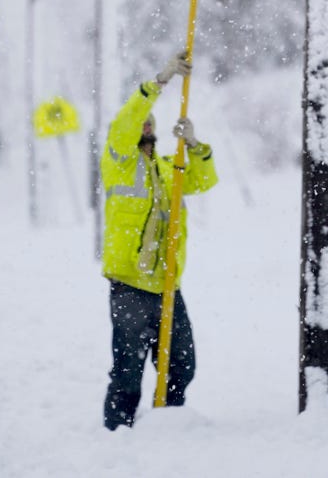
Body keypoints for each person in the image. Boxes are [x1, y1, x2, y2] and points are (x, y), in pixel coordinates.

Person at [101, 50, 218, 430]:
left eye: (151, 121)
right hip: (131, 286)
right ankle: (117, 434)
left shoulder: (170, 167)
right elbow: (126, 119)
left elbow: (203, 182)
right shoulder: (117, 159)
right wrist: (160, 81)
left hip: (168, 285)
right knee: (128, 372)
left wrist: (196, 145)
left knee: (181, 364)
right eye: (141, 121)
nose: (147, 125)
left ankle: (167, 426)